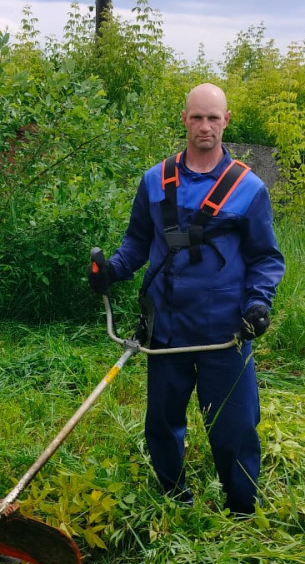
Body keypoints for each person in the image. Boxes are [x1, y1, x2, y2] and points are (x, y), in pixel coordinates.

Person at [88, 83, 285, 515]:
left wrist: (258, 303)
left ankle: (240, 509)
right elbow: (137, 243)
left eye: (213, 118)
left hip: (225, 331)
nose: (205, 126)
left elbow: (265, 258)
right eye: (197, 117)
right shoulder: (155, 180)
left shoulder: (248, 189)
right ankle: (174, 498)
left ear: (226, 121)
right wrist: (112, 272)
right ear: (184, 119)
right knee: (161, 421)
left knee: (234, 427)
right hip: (167, 328)